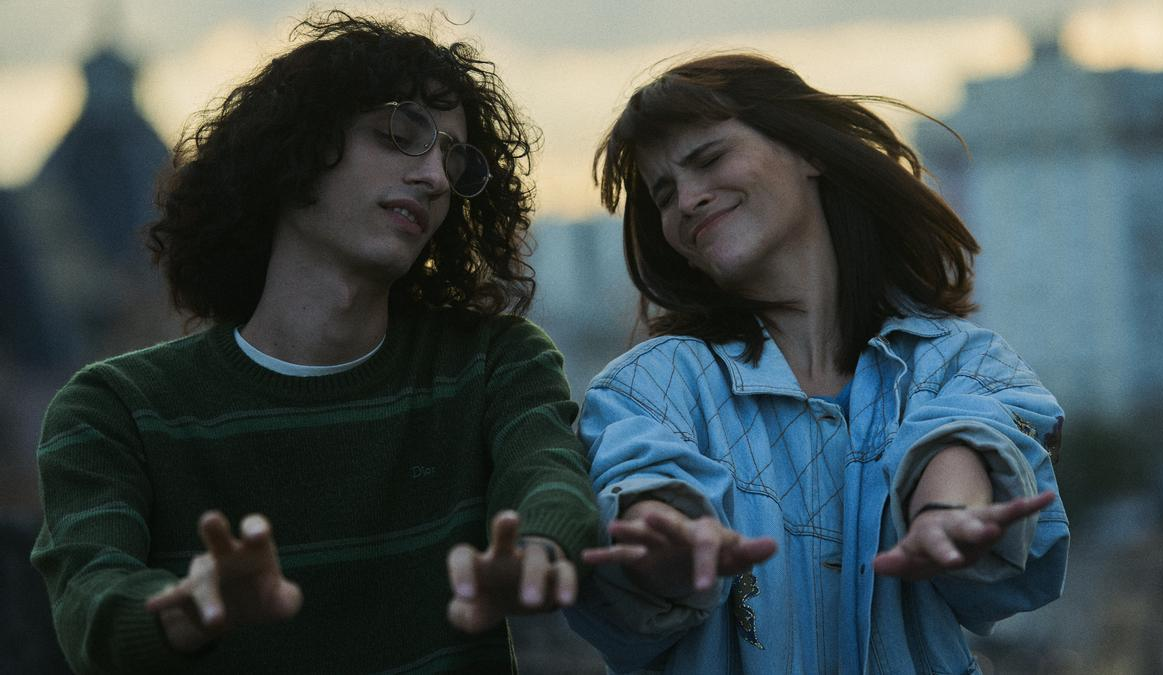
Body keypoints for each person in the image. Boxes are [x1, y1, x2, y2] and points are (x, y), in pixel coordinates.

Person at [30, 12, 599, 674]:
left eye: (454, 160)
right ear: (295, 150)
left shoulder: (492, 361)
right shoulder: (114, 408)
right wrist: (187, 609)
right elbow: (89, 600)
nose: (435, 178)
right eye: (400, 134)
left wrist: (537, 550)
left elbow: (548, 475)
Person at [563, 53, 1068, 674]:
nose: (688, 200)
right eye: (664, 193)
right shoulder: (646, 387)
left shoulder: (958, 359)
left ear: (809, 151)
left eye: (710, 159)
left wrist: (946, 513)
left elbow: (967, 432)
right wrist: (669, 543)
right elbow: (645, 476)